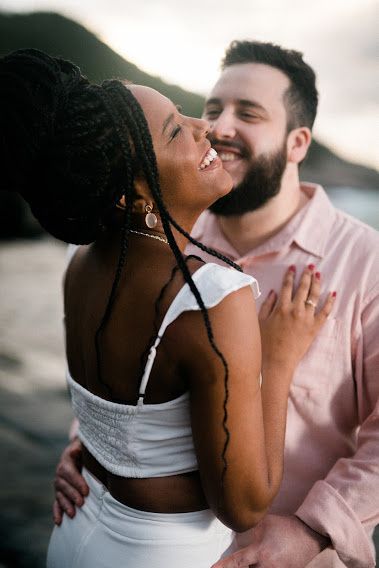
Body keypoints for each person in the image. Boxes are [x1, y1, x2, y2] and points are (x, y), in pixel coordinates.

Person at [0, 48, 334, 568]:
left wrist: (84, 455)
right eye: (177, 131)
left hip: (75, 531)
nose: (205, 128)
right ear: (132, 198)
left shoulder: (80, 261)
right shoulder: (213, 298)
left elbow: (116, 413)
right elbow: (243, 507)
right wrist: (278, 357)